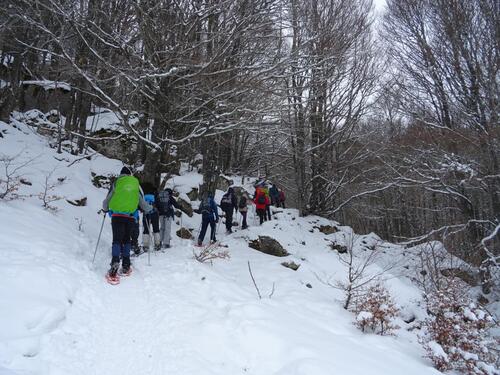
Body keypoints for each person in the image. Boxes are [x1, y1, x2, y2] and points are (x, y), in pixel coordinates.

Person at [102, 166, 151, 279]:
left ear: (121, 174)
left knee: (117, 239)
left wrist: (105, 209)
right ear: (130, 174)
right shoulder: (135, 184)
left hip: (117, 216)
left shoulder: (117, 183)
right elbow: (141, 201)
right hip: (130, 217)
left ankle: (115, 261)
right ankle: (126, 265)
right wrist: (149, 209)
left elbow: (108, 199)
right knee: (126, 240)